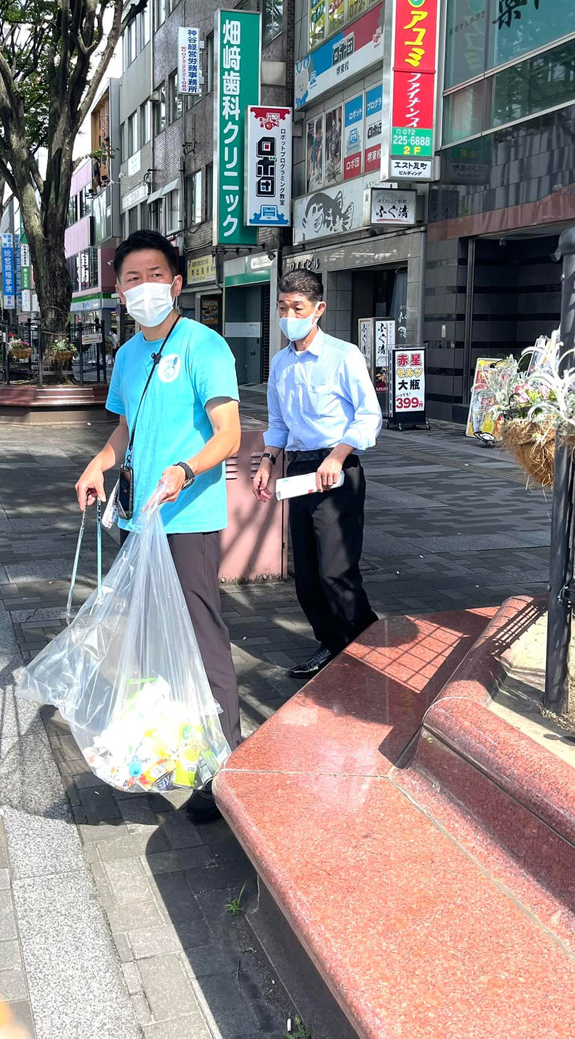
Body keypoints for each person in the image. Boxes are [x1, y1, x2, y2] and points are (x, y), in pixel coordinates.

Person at [76, 230, 242, 823]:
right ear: (118, 291)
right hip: (138, 518)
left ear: (175, 284)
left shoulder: (204, 345)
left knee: (201, 636)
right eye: (130, 278)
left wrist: (183, 469)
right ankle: (166, 745)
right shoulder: (126, 356)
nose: (142, 287)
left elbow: (228, 434)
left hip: (188, 517)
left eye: (153, 276)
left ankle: (223, 764)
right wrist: (100, 464)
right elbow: (127, 430)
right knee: (148, 636)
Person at [253, 269, 382, 680]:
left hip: (337, 469)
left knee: (336, 570)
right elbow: (278, 422)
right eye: (283, 308)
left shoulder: (343, 356)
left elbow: (368, 415)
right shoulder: (280, 362)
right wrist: (267, 461)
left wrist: (338, 455)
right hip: (298, 469)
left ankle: (364, 643)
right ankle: (331, 644)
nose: (289, 315)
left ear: (319, 309)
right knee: (306, 574)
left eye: (298, 308)